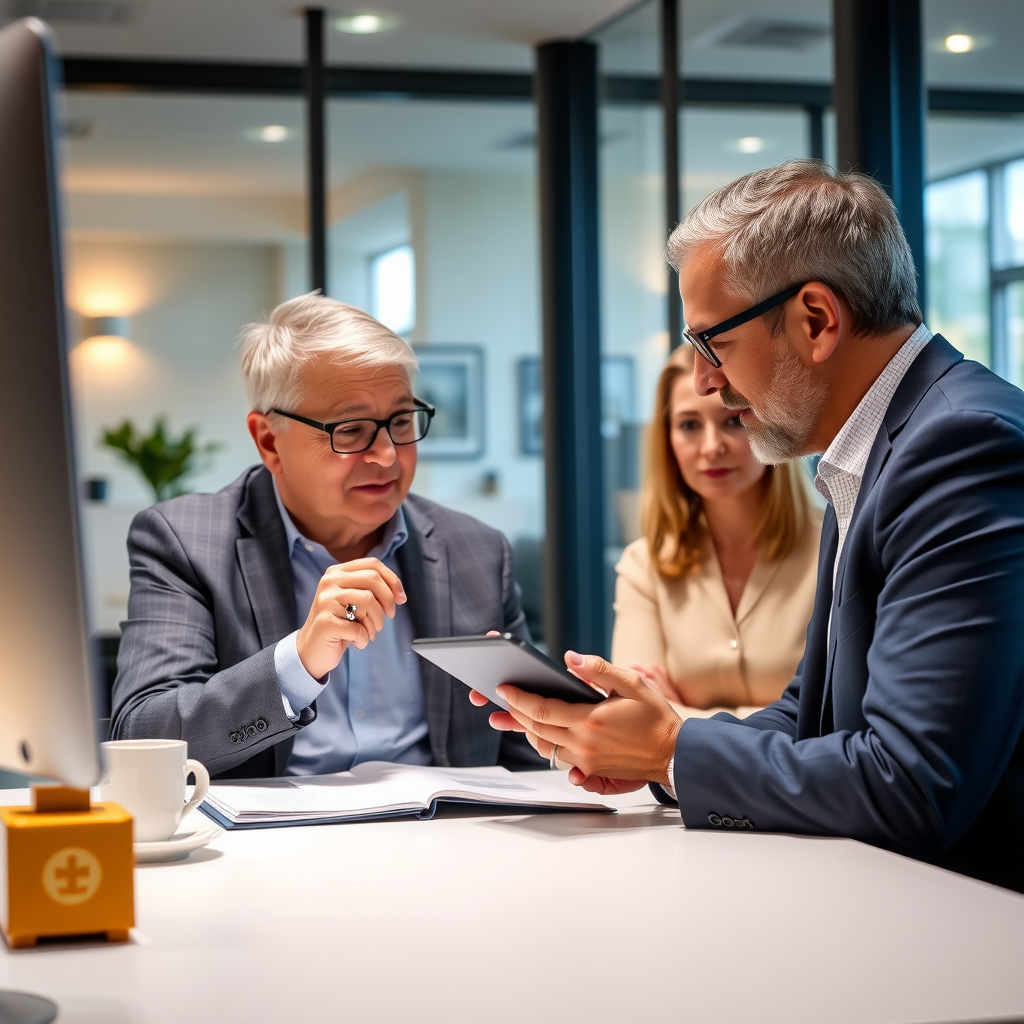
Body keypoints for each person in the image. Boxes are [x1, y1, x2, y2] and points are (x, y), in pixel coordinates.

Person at [476, 160, 1024, 890]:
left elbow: (913, 782)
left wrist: (671, 751)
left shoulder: (958, 446)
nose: (705, 380)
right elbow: (812, 717)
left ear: (816, 320)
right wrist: (659, 748)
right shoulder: (877, 448)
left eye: (714, 343)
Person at [112, 293, 542, 778]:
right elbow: (142, 737)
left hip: (451, 823)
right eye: (351, 429)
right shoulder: (185, 543)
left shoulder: (477, 549)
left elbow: (530, 755)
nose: (387, 455)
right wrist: (298, 661)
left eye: (401, 421)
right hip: (276, 828)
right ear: (269, 442)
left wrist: (586, 729)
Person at [612, 343, 821, 718]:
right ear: (667, 439)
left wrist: (675, 716)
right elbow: (631, 716)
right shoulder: (644, 565)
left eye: (733, 420)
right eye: (689, 425)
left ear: (768, 422)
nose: (711, 447)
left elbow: (836, 718)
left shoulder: (835, 545)